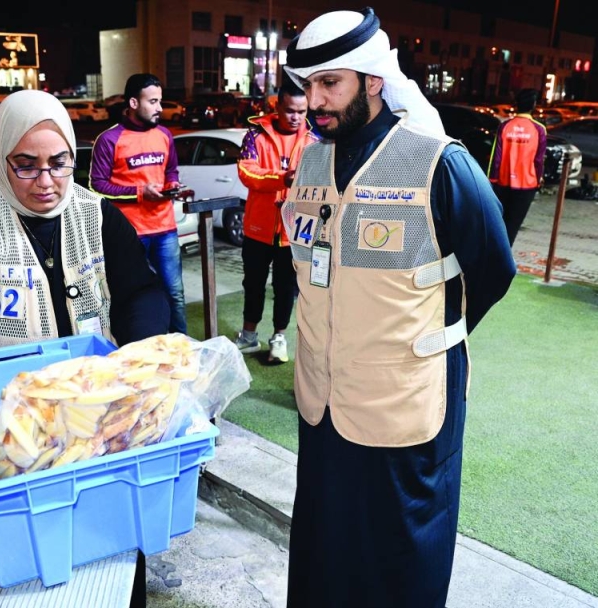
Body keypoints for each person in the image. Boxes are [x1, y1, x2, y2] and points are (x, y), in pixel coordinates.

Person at [280, 8, 517, 607]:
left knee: (400, 559)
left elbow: (493, 268)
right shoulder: (311, 161)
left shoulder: (440, 161)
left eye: (329, 83)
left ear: (373, 81)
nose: (314, 101)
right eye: (307, 85)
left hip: (408, 406)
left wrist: (416, 343)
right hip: (325, 402)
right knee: (325, 549)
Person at [0, 89, 167, 608]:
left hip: (96, 413)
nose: (46, 182)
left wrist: (135, 371)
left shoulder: (97, 215)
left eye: (59, 163)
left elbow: (141, 291)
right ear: (1, 156)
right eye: (25, 166)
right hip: (10, 416)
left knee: (110, 551)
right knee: (38, 567)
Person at [89, 73, 187, 335]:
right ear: (133, 103)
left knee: (174, 293)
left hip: (165, 229)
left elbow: (171, 171)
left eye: (160, 101)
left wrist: (172, 184)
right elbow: (97, 186)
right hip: (129, 233)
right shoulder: (108, 140)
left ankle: (182, 348)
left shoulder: (165, 135)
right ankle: (137, 348)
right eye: (153, 102)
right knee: (133, 295)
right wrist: (140, 192)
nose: (160, 108)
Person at [234, 82, 319, 363]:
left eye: (302, 111)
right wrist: (282, 179)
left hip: (293, 232)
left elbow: (319, 182)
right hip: (258, 228)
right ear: (277, 107)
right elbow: (248, 173)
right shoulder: (255, 135)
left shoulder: (313, 141)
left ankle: (279, 338)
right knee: (253, 284)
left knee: (285, 288)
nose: (296, 117)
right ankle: (248, 336)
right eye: (290, 111)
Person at [488, 87, 547, 245]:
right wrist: (538, 179)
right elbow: (538, 160)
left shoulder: (505, 126)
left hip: (503, 183)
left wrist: (492, 180)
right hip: (526, 185)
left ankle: (496, 259)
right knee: (513, 226)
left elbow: (496, 157)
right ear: (533, 105)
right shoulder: (539, 130)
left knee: (500, 223)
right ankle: (503, 263)